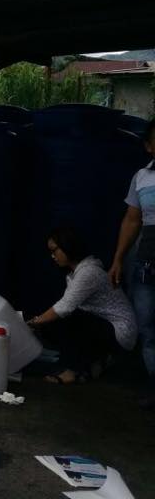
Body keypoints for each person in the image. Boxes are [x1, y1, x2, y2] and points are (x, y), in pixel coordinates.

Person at [29, 227, 137, 385]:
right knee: (55, 323)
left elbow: (64, 308)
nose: (52, 256)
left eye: (55, 250)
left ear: (68, 247)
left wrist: (34, 322)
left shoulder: (89, 272)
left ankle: (72, 371)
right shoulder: (75, 273)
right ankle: (96, 361)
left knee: (68, 319)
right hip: (104, 326)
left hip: (120, 331)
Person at [110, 118, 155, 407]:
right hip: (147, 265)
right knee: (147, 330)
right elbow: (132, 220)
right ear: (149, 146)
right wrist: (118, 259)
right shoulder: (142, 177)